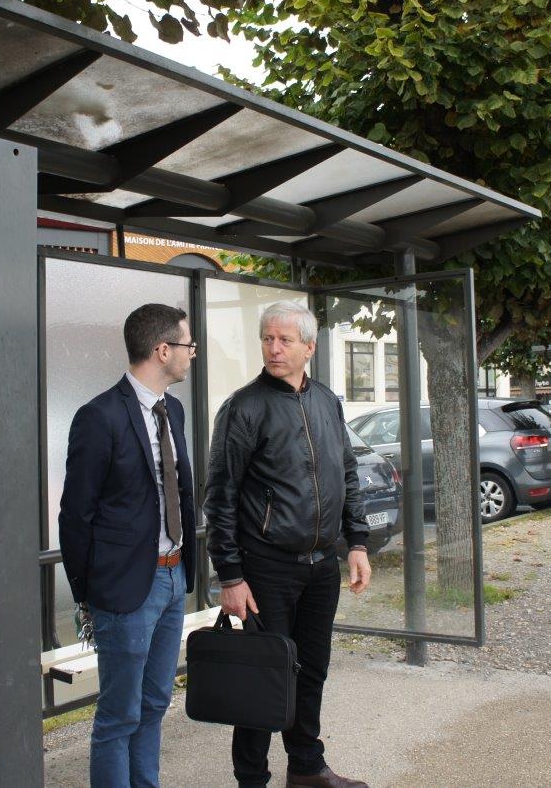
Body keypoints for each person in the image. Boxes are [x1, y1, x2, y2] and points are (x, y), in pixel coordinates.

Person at [205, 300, 372, 788]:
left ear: (309, 347)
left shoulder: (326, 401)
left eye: (284, 340)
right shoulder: (244, 407)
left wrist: (357, 542)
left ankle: (306, 768)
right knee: (263, 677)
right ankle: (251, 779)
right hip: (265, 568)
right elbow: (220, 496)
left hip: (321, 566)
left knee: (312, 670)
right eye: (267, 339)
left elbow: (346, 474)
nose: (274, 348)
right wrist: (230, 576)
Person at [58, 303, 197, 788]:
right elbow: (75, 515)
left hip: (174, 575)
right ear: (163, 350)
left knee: (156, 701)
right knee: (119, 715)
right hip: (124, 590)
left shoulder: (172, 409)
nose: (192, 354)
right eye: (187, 345)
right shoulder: (99, 416)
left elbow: (178, 490)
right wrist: (87, 593)